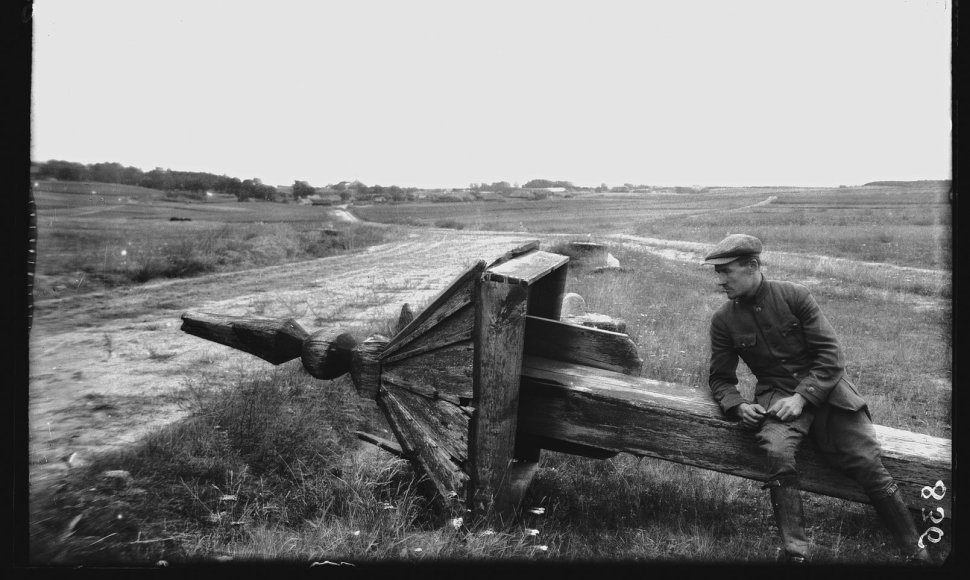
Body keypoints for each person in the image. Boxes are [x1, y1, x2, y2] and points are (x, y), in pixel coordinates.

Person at [704, 233, 930, 564]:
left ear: (752, 265)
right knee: (778, 454)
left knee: (866, 461)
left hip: (831, 395)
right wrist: (737, 405)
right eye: (718, 273)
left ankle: (916, 550)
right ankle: (796, 553)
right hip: (776, 400)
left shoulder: (795, 296)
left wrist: (801, 397)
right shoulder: (724, 320)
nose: (721, 280)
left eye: (726, 272)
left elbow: (830, 355)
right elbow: (720, 378)